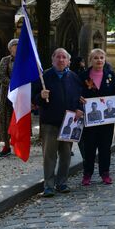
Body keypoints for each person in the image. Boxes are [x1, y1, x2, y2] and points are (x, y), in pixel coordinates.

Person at [32, 48, 84, 197]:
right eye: (58, 57)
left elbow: (80, 97)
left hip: (69, 122)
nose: (61, 60)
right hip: (50, 122)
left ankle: (62, 182)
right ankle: (48, 185)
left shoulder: (74, 77)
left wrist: (80, 109)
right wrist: (40, 96)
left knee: (66, 154)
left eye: (64, 57)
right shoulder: (44, 76)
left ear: (68, 61)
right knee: (49, 155)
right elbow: (34, 98)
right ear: (53, 59)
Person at [78, 48, 115, 185]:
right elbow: (77, 94)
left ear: (105, 59)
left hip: (106, 121)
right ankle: (87, 174)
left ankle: (105, 173)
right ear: (91, 60)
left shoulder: (110, 75)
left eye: (101, 58)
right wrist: (79, 99)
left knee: (105, 148)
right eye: (96, 58)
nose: (99, 60)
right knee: (89, 148)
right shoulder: (83, 76)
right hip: (90, 120)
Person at [0, 39, 18, 157]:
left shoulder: (24, 61)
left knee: (18, 120)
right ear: (10, 48)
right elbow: (1, 77)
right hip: (7, 96)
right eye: (14, 46)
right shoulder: (5, 60)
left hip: (20, 97)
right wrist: (15, 84)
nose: (17, 48)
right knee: (6, 121)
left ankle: (18, 145)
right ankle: (6, 146)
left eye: (18, 46)